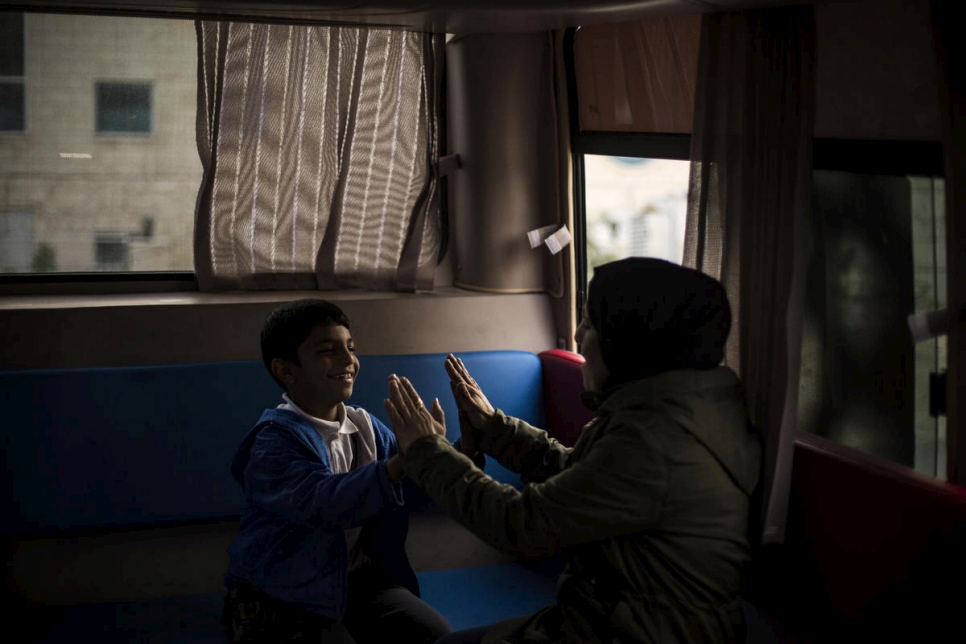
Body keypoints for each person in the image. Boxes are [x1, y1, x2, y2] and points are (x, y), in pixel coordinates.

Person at [383, 257, 763, 643]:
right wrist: (496, 430)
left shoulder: (655, 441)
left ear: (629, 340)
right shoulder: (677, 410)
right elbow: (584, 481)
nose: (579, 334)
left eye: (590, 323)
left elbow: (520, 524)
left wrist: (426, 450)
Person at [222, 299, 452, 643]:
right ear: (286, 370)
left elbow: (411, 488)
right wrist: (402, 460)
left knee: (436, 635)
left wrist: (455, 454)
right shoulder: (273, 443)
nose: (349, 361)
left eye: (351, 348)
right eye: (329, 351)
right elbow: (323, 503)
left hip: (355, 583)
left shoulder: (366, 428)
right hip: (285, 595)